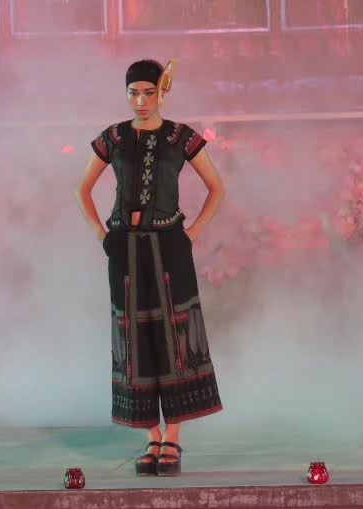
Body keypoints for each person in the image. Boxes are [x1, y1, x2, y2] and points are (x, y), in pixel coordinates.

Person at [75, 59, 225, 477]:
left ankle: (173, 435)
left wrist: (191, 233)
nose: (141, 101)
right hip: (125, 247)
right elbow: (82, 189)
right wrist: (103, 235)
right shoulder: (114, 137)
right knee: (134, 335)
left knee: (174, 334)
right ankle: (151, 435)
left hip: (170, 245)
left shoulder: (180, 136)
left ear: (162, 92)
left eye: (148, 92)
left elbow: (217, 188)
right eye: (133, 92)